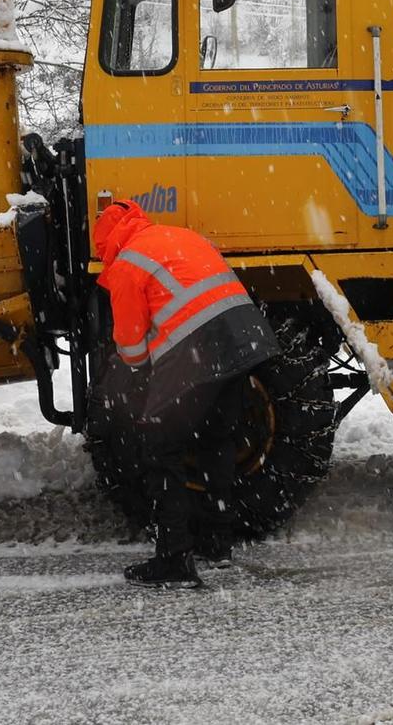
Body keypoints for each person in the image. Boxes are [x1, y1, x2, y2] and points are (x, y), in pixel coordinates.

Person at [93, 197, 276, 590]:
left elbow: (130, 346)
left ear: (106, 243)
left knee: (160, 448)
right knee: (216, 438)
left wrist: (140, 376)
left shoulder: (127, 265)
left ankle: (174, 559)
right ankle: (217, 542)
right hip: (244, 336)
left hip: (197, 348)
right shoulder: (178, 236)